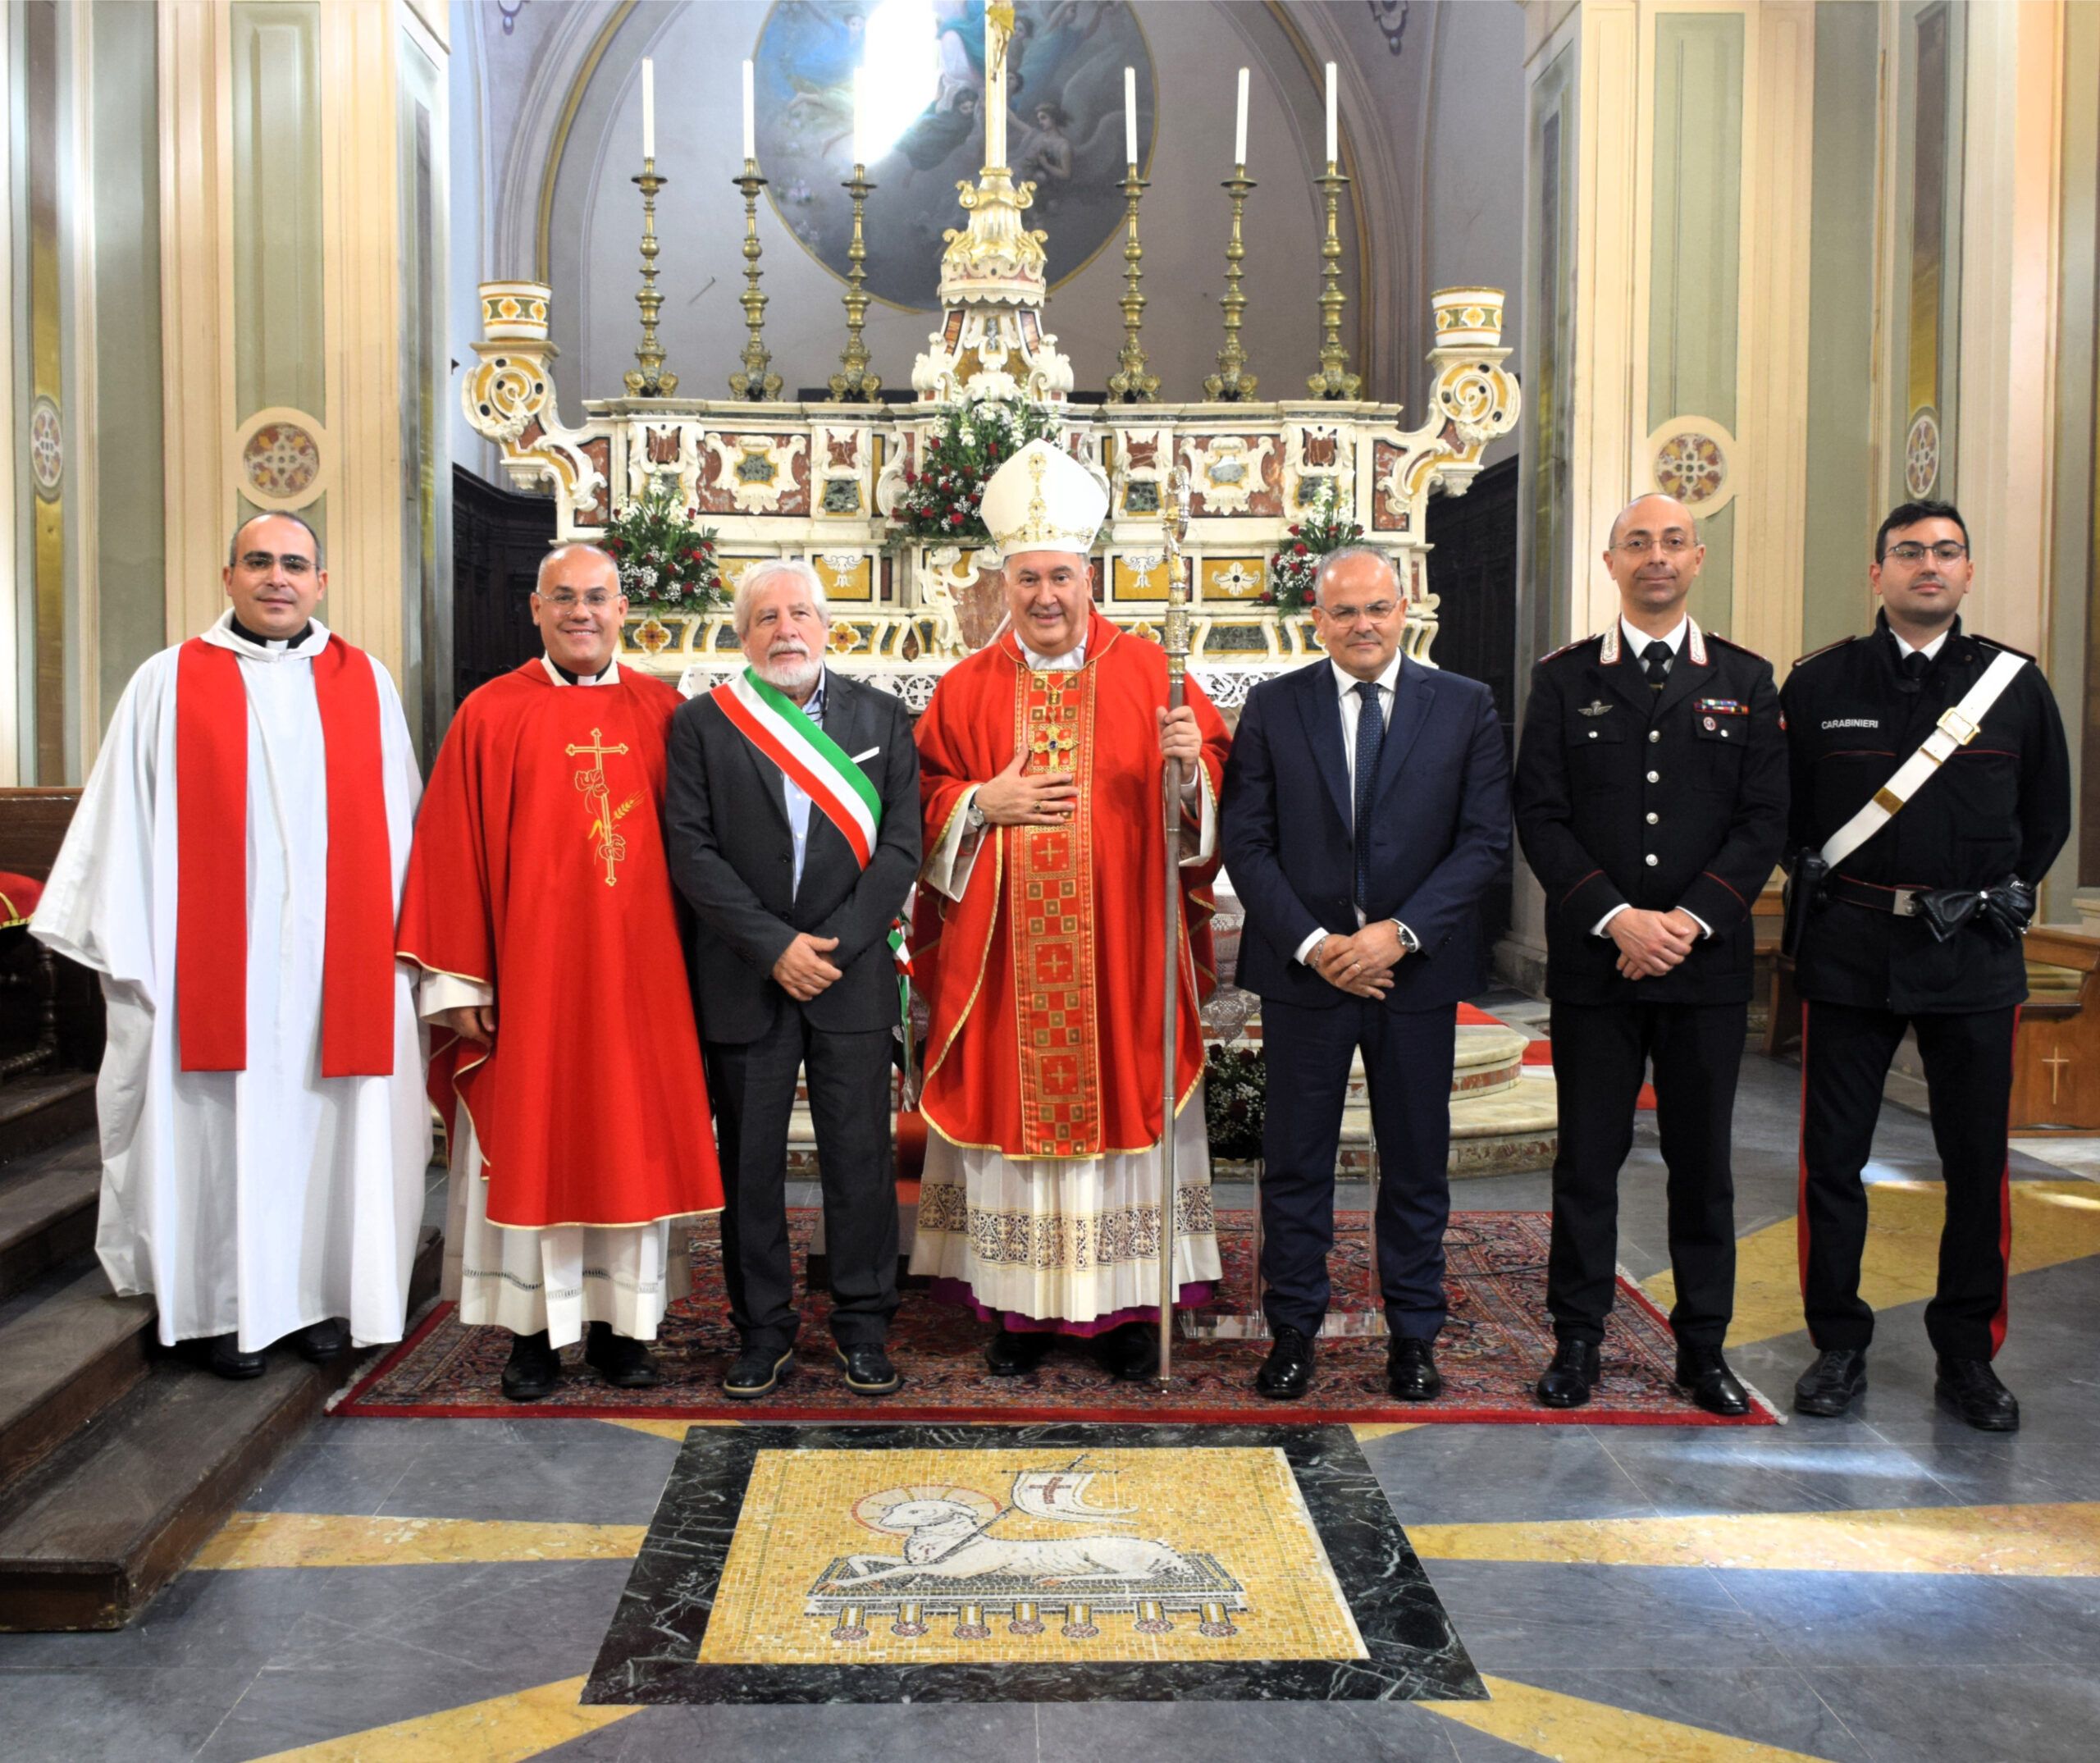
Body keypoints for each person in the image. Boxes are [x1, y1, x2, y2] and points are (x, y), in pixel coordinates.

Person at [32, 513, 427, 1376]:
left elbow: (403, 836)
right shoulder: (167, 683)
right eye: (259, 562)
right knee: (215, 1138)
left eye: (294, 564)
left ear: (321, 582)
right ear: (228, 576)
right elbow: (121, 829)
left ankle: (323, 1299)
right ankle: (215, 1307)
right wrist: (136, 948)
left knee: (334, 1131)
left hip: (339, 974)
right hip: (209, 975)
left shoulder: (367, 685)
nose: (276, 578)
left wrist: (407, 957)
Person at [906, 438, 1230, 1379]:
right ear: (1000, 584)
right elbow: (919, 796)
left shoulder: (1151, 675)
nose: (1044, 597)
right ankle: (1018, 1309)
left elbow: (1204, 813)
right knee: (1015, 1120)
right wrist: (977, 804)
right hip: (1006, 964)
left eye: (1060, 577)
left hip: (1122, 952)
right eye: (1025, 579)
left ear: (1088, 577)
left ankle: (1127, 1306)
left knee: (1125, 1111)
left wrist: (1188, 769)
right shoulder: (966, 688)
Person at [396, 543, 724, 1401]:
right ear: (535, 611)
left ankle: (624, 1332)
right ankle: (531, 1335)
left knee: (630, 1145)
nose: (582, 612)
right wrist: (462, 983)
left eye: (597, 598)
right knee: (530, 1139)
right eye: (564, 598)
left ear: (624, 611)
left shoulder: (666, 713)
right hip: (529, 987)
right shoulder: (491, 713)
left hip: (641, 986)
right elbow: (451, 852)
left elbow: (706, 854)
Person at [1782, 499, 2071, 1432]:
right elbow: (1781, 815)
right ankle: (1837, 1343)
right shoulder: (1819, 683)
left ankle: (1965, 1356)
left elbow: (2048, 814)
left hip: (1974, 958)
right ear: (1877, 574)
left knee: (1975, 1162)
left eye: (1946, 552)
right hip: (1853, 954)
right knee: (1832, 1161)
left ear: (1968, 571)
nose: (1928, 567)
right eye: (1908, 553)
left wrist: (1987, 895)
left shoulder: (2014, 686)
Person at [1512, 493, 1786, 1414]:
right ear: (1610, 562)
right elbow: (1539, 815)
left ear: (1698, 558)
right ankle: (1579, 1339)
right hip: (1598, 966)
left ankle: (1702, 1349)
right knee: (1586, 1160)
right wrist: (1618, 918)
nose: (1655, 557)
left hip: (1704, 970)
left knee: (1702, 1165)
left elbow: (1762, 822)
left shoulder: (1745, 679)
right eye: (1638, 543)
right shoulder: (1563, 679)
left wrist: (1685, 922)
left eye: (1672, 542)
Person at [1220, 546, 1510, 1401]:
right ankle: (1294, 1332)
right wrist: (1315, 943)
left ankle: (1413, 1336)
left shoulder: (1465, 706)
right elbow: (1248, 839)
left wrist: (1401, 934)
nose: (1363, 625)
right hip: (1305, 975)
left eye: (1378, 608)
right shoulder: (1275, 707)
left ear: (1405, 608)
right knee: (1296, 1163)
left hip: (1413, 977)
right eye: (1344, 612)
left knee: (1417, 1162)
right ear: (1317, 619)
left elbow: (1484, 840)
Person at [664, 560, 920, 1400]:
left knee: (858, 1158)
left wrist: (835, 945)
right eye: (767, 616)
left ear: (826, 625)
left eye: (800, 612)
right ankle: (763, 1329)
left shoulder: (880, 715)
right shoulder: (702, 724)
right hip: (747, 974)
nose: (786, 629)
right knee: (750, 1166)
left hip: (847, 978)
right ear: (744, 634)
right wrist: (775, 946)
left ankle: (862, 1324)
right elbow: (692, 852)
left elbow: (899, 850)